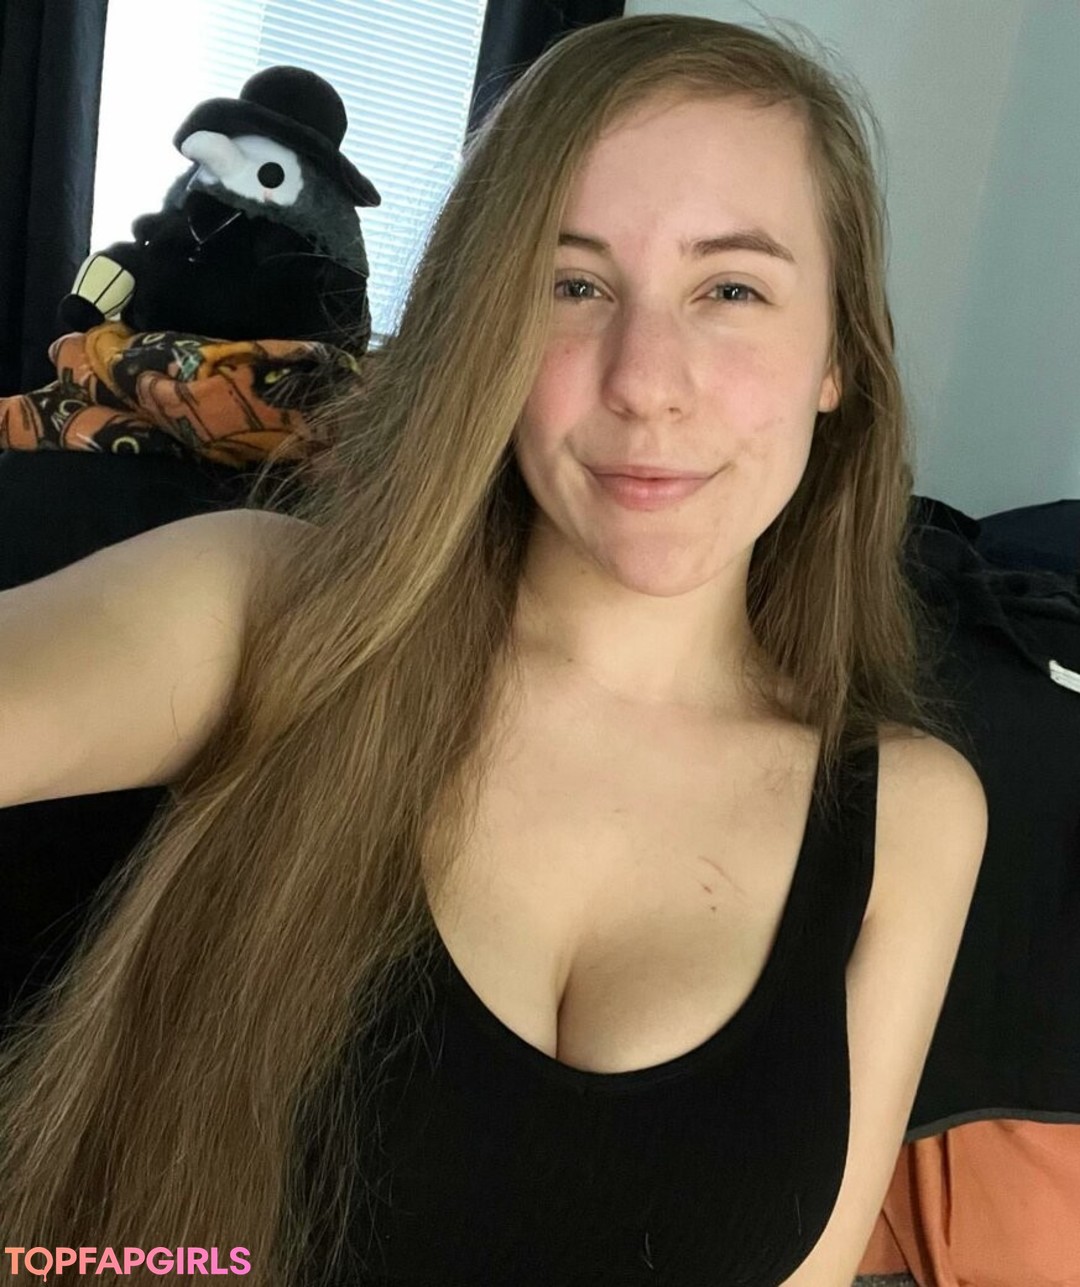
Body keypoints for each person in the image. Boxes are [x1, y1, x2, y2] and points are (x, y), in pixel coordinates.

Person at [0, 14, 986, 1287]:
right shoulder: (265, 612)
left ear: (839, 354)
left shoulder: (911, 820)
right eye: (572, 286)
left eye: (731, 290)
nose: (645, 381)